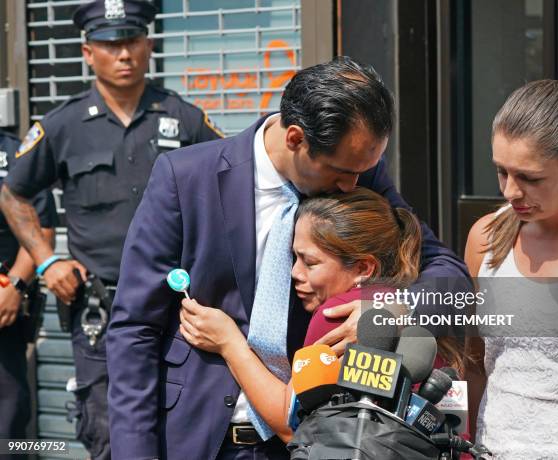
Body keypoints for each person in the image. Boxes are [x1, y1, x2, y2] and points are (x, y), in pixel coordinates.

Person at [107, 56, 471, 460]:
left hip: (313, 440)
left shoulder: (358, 172)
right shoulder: (186, 177)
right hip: (196, 437)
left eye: (366, 170)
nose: (353, 185)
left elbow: (448, 272)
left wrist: (392, 308)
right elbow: (134, 328)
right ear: (296, 138)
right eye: (342, 171)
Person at [0, 1, 222, 458]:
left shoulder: (185, 119)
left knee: (183, 426)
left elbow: (230, 182)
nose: (124, 54)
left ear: (148, 45)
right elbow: (13, 194)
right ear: (87, 52)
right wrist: (47, 260)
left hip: (177, 309)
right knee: (108, 432)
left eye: (132, 41)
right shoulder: (62, 125)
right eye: (110, 44)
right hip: (101, 311)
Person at [178, 188, 465, 446]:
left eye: (310, 262)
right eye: (295, 258)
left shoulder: (338, 315)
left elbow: (293, 425)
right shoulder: (411, 301)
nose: (295, 274)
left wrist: (229, 344)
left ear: (364, 267)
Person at [464, 75, 558, 458]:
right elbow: (476, 364)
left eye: (529, 178)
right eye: (502, 171)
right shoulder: (487, 239)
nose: (510, 191)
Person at [0, 129, 57, 460]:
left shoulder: (15, 153)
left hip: (4, 310)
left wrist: (15, 286)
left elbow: (41, 230)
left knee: (8, 424)